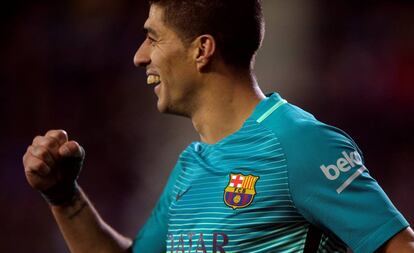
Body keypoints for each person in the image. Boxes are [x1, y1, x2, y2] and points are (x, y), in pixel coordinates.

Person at [23, 0, 414, 252]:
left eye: (153, 38)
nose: (140, 57)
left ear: (201, 50)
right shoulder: (192, 165)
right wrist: (64, 196)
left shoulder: (299, 143)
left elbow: (400, 247)